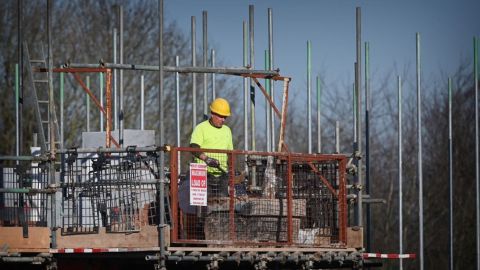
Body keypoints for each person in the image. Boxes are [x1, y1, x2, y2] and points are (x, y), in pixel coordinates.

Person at [189, 97, 233, 197]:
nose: (223, 119)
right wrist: (207, 159)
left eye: (225, 117)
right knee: (204, 204)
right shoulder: (201, 128)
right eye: (221, 116)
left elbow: (230, 153)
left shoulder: (227, 130)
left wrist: (231, 170)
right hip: (203, 173)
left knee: (223, 205)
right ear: (212, 113)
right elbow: (193, 147)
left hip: (222, 175)